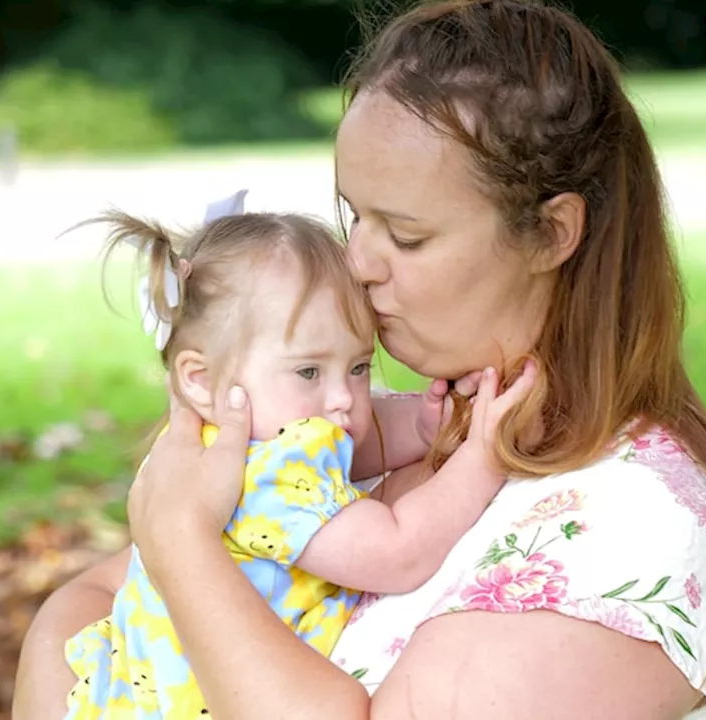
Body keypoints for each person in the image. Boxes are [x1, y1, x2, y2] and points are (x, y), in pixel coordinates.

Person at [15, 1, 706, 718]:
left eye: (406, 236)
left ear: (553, 234)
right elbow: (84, 613)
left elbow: (156, 586)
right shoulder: (372, 427)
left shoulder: (634, 523)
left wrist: (178, 539)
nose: (357, 262)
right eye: (355, 217)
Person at [62, 195, 531, 718]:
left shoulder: (217, 448)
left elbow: (348, 445)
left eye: (357, 367)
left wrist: (425, 430)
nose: (343, 398)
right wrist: (483, 458)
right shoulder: (270, 475)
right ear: (199, 380)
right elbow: (396, 553)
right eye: (309, 372)